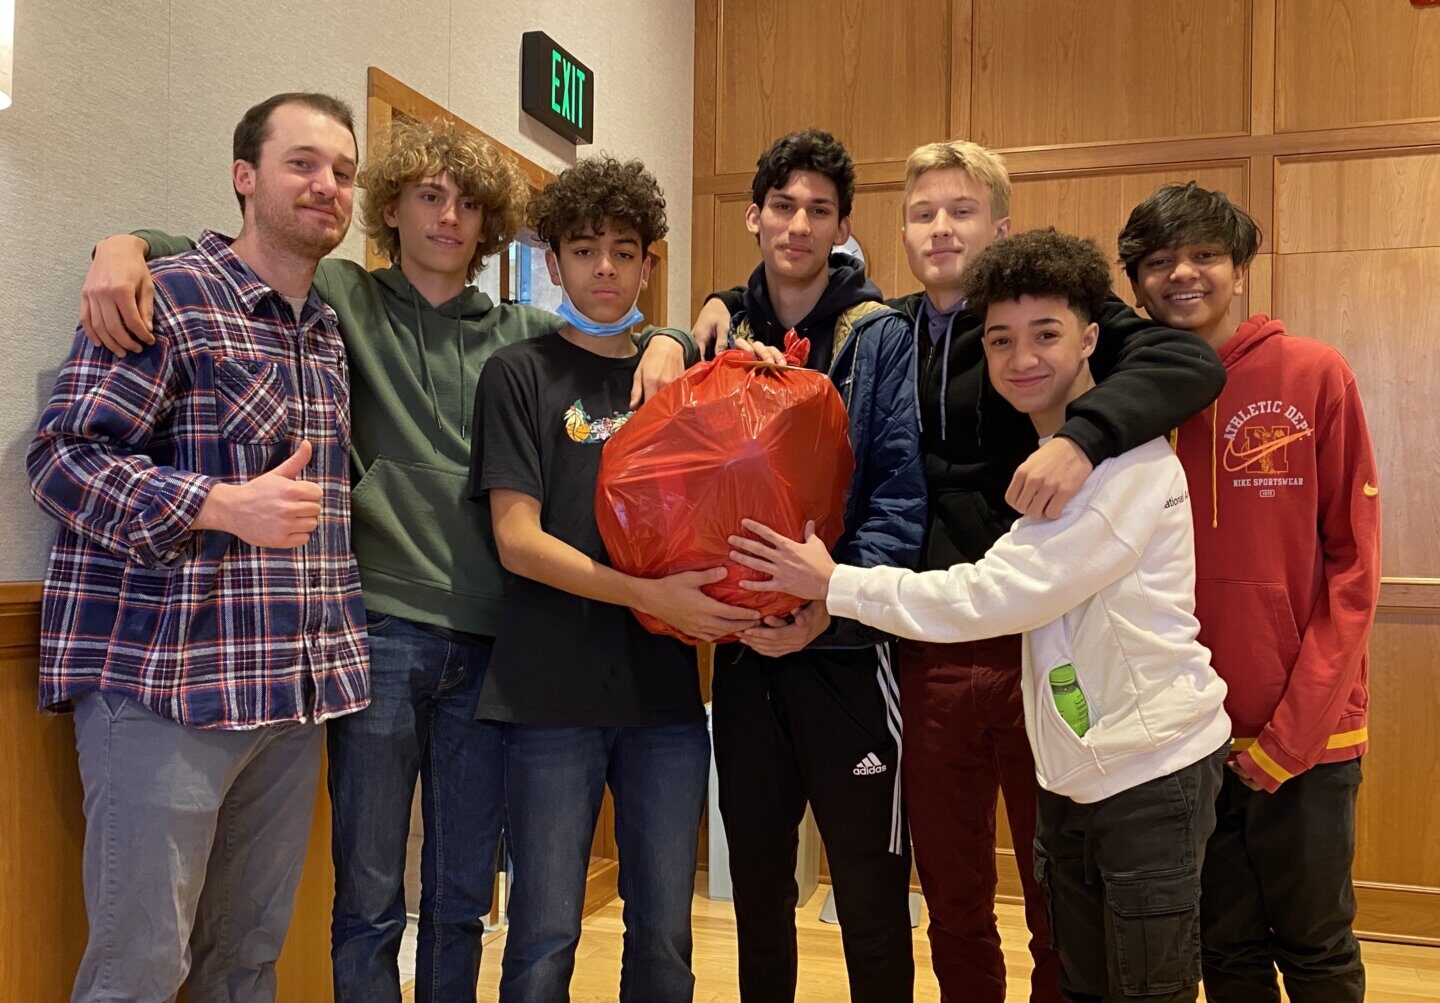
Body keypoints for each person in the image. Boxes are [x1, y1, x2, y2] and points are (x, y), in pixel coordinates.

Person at [75, 120, 695, 1003]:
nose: (448, 217)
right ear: (392, 208)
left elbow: (613, 329)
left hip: (489, 643)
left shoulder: (519, 332)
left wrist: (669, 334)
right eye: (428, 196)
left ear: (492, 225)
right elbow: (226, 252)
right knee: (367, 893)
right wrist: (122, 244)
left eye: (469, 202)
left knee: (458, 896)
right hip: (374, 632)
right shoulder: (338, 296)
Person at [696, 139, 1227, 1003]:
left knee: (1059, 893)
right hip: (924, 640)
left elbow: (1188, 362)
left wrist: (1082, 437)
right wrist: (707, 308)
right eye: (923, 212)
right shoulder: (887, 328)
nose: (942, 230)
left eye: (962, 211)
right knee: (951, 897)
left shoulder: (1052, 309)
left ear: (1002, 226)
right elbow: (797, 294)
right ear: (895, 232)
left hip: (1033, 640)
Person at [27, 92, 368, 1003]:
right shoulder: (167, 298)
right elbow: (60, 461)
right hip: (163, 693)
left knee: (246, 962)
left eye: (342, 171)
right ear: (244, 176)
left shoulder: (325, 334)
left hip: (290, 698)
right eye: (302, 163)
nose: (326, 185)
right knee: (139, 971)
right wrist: (216, 503)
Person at [470, 155, 748, 1002]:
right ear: (551, 262)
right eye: (584, 250)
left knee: (664, 934)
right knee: (545, 932)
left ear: (646, 266)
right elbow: (518, 541)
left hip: (664, 696)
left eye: (623, 252)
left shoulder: (682, 378)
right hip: (546, 695)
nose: (603, 269)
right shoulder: (517, 373)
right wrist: (646, 595)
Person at [1119, 183, 1380, 1003]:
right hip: (1187, 739)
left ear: (1239, 267)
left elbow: (1354, 569)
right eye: (1159, 262)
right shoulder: (1129, 398)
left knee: (1317, 947)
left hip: (1307, 737)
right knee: (1222, 949)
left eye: (1203, 255)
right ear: (1136, 283)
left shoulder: (1313, 373)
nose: (1182, 274)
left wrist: (1289, 736)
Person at [709, 128, 926, 1003]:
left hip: (846, 656)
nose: (800, 224)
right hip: (742, 653)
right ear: (756, 215)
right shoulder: (719, 330)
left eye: (820, 210)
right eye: (784, 206)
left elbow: (901, 494)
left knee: (871, 904)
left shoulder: (880, 337)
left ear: (843, 226)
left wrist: (825, 605)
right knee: (759, 901)